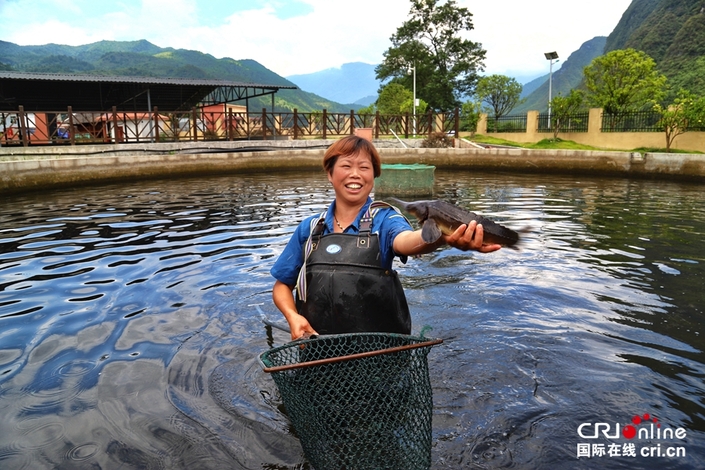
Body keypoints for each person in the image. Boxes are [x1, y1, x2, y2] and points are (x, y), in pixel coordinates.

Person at [271, 135, 501, 340]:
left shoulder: (386, 219)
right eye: (346, 165)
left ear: (374, 175)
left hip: (379, 356)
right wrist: (293, 316)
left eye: (364, 167)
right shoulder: (310, 229)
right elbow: (283, 285)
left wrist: (441, 236)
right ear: (330, 174)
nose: (355, 174)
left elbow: (406, 240)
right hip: (319, 351)